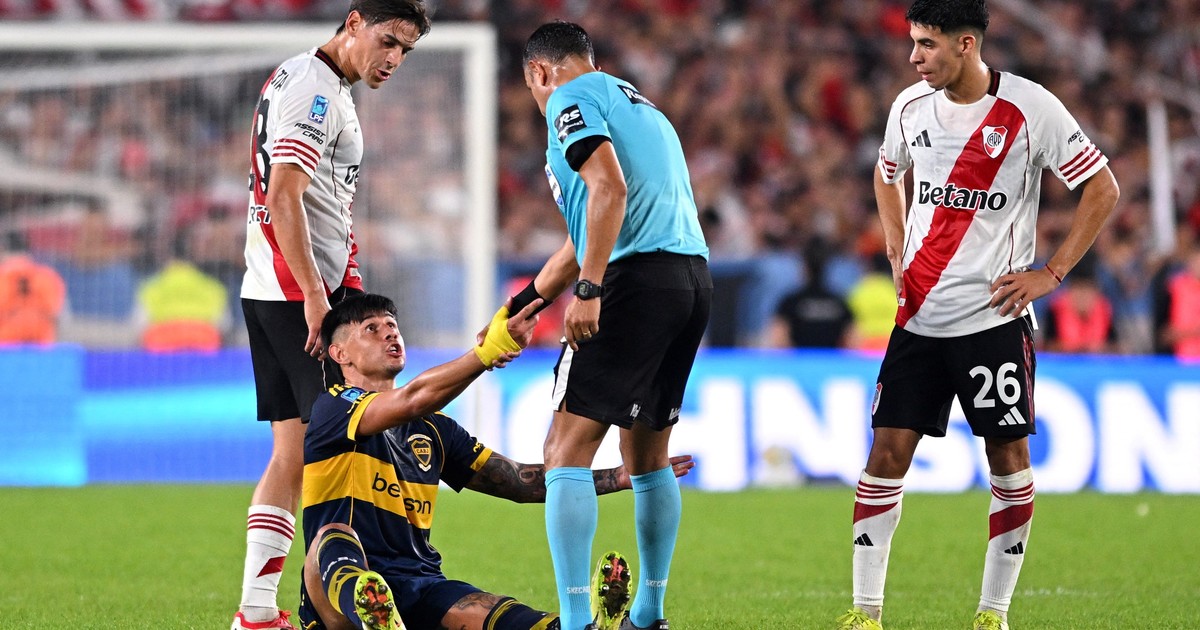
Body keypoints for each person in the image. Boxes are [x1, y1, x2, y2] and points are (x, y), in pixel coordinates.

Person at [835, 2, 1120, 630]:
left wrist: (1052, 273)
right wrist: (895, 245)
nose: (914, 57)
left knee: (1008, 461)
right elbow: (887, 174)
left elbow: (1102, 188)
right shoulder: (909, 107)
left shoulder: (1030, 108)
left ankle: (993, 615)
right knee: (885, 456)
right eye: (913, 43)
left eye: (927, 45)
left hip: (992, 321)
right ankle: (864, 614)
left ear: (966, 44)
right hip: (917, 320)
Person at [298, 292, 694, 630]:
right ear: (339, 353)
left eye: (392, 325)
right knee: (332, 537)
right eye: (371, 328)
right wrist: (486, 353)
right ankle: (369, 607)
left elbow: (516, 481)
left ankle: (580, 625)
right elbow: (412, 398)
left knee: (504, 614)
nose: (389, 332)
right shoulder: (333, 408)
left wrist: (617, 477)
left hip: (418, 583)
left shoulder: (435, 429)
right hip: (334, 602)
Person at [234, 3, 432, 629]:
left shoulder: (306, 79)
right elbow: (284, 194)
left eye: (405, 50)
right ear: (353, 22)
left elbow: (314, 201)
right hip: (302, 297)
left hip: (272, 289)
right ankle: (330, 603)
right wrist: (318, 298)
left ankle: (257, 612)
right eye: (387, 41)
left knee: (292, 453)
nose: (394, 59)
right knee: (336, 453)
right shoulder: (316, 91)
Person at [510, 21, 712, 630]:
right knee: (647, 454)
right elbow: (590, 228)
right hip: (689, 281)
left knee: (564, 450)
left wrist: (589, 290)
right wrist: (529, 299)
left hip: (631, 285)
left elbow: (608, 189)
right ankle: (649, 614)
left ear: (539, 72)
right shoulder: (640, 107)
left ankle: (576, 621)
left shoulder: (569, 98)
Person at [767, 237, 855, 348]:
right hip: (829, 358)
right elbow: (852, 342)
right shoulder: (840, 302)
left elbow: (779, 340)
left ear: (805, 267)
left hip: (800, 358)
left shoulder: (791, 302)